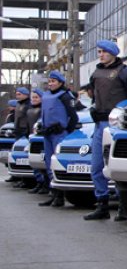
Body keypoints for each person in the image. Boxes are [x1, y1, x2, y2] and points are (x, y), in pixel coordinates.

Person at [83, 40, 127, 221]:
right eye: (99, 51)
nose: (100, 55)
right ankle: (101, 203)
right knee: (96, 167)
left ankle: (124, 206)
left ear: (113, 53)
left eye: (103, 52)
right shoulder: (96, 73)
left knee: (117, 167)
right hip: (100, 124)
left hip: (117, 125)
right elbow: (94, 95)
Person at [38, 70, 79, 207]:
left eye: (53, 81)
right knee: (49, 164)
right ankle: (54, 193)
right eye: (49, 81)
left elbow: (73, 117)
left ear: (60, 82)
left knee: (58, 164)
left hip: (59, 134)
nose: (50, 84)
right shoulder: (46, 95)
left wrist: (66, 131)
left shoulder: (66, 96)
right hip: (47, 134)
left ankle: (60, 196)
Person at [26, 89, 49, 195]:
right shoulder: (30, 109)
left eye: (36, 97)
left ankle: (45, 183)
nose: (34, 99)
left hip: (41, 138)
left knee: (42, 162)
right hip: (32, 138)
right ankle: (39, 183)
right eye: (32, 97)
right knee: (35, 163)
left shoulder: (42, 109)